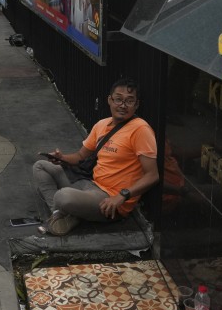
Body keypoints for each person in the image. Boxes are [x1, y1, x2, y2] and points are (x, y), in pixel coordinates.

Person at [33, 78, 159, 236]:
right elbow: (80, 156)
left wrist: (122, 196)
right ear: (110, 100)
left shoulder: (141, 130)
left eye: (129, 101)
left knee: (62, 196)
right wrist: (62, 157)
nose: (123, 105)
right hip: (90, 183)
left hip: (110, 200)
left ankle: (66, 212)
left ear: (136, 105)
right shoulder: (102, 124)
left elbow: (152, 175)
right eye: (118, 99)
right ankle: (62, 214)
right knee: (40, 167)